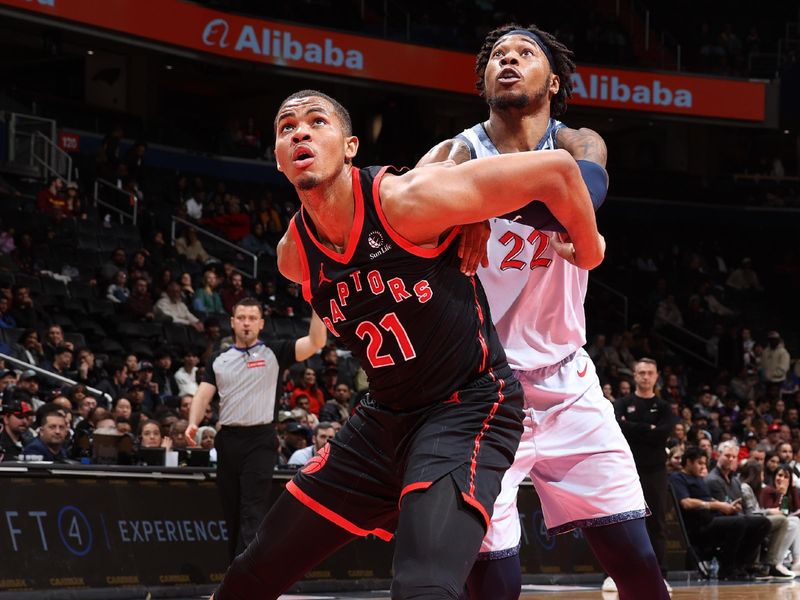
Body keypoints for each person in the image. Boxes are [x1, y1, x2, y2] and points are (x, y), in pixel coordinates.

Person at [211, 88, 603, 600]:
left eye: (316, 122)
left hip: (468, 405)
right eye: (286, 128)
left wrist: (589, 250)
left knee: (423, 585)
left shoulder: (406, 199)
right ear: (280, 158)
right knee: (252, 573)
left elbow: (558, 170)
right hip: (383, 419)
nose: (300, 131)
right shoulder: (293, 256)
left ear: (351, 146)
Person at [419, 24, 660, 599]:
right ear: (483, 82)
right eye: (497, 55)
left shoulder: (579, 142)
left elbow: (584, 189)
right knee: (494, 581)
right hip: (481, 390)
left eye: (524, 53)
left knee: (637, 564)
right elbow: (411, 204)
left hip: (567, 383)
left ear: (552, 79)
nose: (508, 60)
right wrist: (457, 201)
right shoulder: (455, 153)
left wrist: (477, 198)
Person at [187, 297, 326, 563]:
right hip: (227, 439)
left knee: (252, 512)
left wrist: (318, 305)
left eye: (252, 318)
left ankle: (245, 583)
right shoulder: (218, 359)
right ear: (232, 322)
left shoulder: (275, 351)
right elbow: (203, 395)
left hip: (260, 439)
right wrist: (194, 421)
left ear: (261, 323)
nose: (246, 323)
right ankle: (235, 577)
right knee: (234, 514)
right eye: (241, 318)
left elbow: (316, 342)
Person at [614, 358, 674, 587]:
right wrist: (647, 428)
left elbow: (663, 433)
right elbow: (619, 428)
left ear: (657, 376)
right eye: (641, 372)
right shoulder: (621, 403)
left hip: (656, 471)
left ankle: (661, 576)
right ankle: (614, 575)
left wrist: (634, 428)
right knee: (619, 521)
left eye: (650, 372)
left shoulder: (665, 407)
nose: (645, 376)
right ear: (634, 375)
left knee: (657, 523)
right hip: (625, 469)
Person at [670, 445, 770, 580]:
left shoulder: (698, 478)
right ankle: (727, 568)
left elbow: (707, 497)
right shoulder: (677, 478)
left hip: (714, 518)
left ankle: (741, 564)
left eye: (704, 463)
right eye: (699, 463)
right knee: (738, 522)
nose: (702, 467)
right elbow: (686, 503)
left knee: (762, 523)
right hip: (699, 524)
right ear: (688, 462)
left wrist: (727, 506)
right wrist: (717, 505)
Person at [708, 440, 793, 578]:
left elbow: (784, 510)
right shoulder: (765, 490)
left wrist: (784, 494)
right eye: (779, 475)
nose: (781, 479)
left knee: (792, 521)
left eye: (785, 476)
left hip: (746, 517)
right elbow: (760, 511)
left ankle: (781, 562)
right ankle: (769, 563)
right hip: (736, 520)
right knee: (782, 521)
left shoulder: (789, 491)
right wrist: (779, 498)